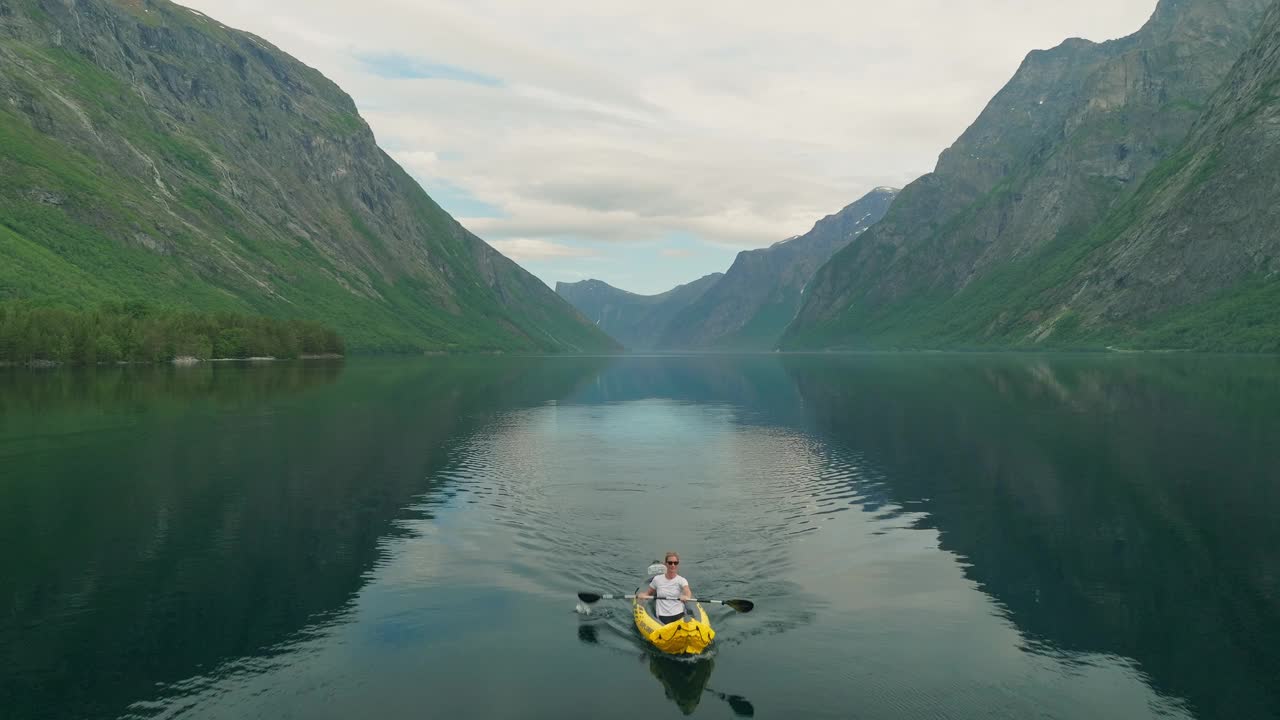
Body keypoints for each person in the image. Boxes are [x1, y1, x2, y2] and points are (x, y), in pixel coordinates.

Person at [636, 551, 692, 625]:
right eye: (670, 562)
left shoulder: (682, 580)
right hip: (663, 617)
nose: (673, 565)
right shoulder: (657, 579)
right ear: (665, 564)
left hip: (679, 615)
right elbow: (648, 593)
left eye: (675, 563)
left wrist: (686, 596)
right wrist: (642, 596)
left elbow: (687, 590)